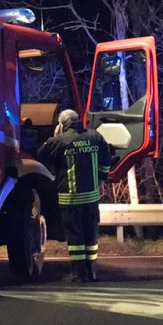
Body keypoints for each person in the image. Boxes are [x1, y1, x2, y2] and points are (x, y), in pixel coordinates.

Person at [37, 109, 111, 282]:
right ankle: (92, 272)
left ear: (62, 124)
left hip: (70, 199)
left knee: (75, 236)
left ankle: (78, 274)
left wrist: (55, 136)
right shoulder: (95, 137)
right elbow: (106, 159)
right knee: (91, 235)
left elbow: (41, 155)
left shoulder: (59, 141)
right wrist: (101, 178)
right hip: (91, 198)